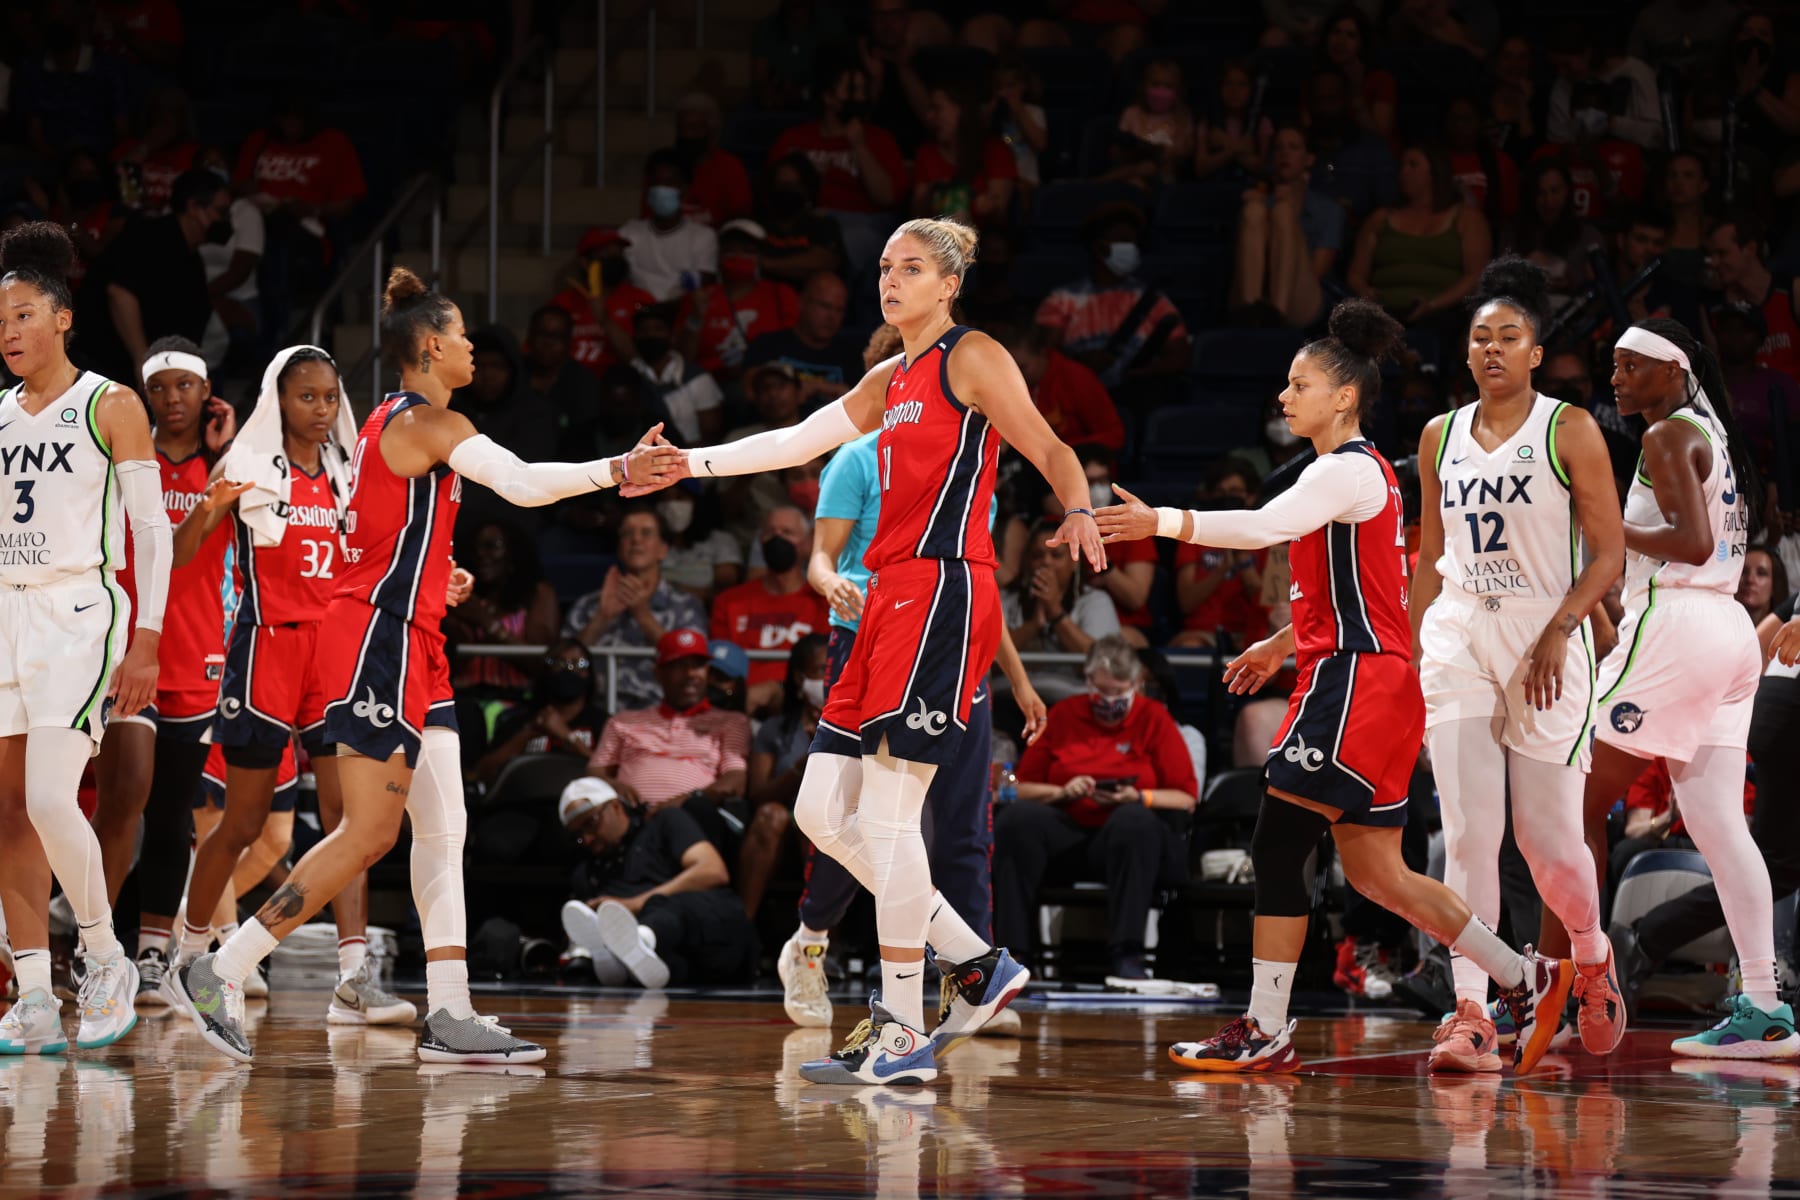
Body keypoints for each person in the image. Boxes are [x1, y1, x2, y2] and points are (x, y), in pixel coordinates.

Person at [627, 216, 1107, 1085]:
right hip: (882, 598)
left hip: (943, 589)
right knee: (819, 810)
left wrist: (1074, 507)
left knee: (889, 814)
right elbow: (793, 442)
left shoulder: (973, 356)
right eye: (885, 266)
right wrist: (688, 465)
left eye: (912, 267)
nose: (892, 280)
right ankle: (976, 963)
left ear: (949, 283)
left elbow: (1049, 445)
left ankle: (899, 1025)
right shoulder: (893, 375)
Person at [172, 267, 678, 1064]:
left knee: (445, 830)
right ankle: (220, 967)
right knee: (369, 832)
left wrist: (431, 577)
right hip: (379, 640)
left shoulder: (381, 422)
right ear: (434, 346)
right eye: (466, 335)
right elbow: (521, 482)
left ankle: (449, 1012)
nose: (476, 346)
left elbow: (375, 535)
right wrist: (619, 470)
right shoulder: (429, 422)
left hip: (417, 639)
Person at [1095, 298, 1574, 1077]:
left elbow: (1260, 528)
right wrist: (1283, 642)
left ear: (1344, 396)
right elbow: (1365, 593)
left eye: (1299, 384)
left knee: (1278, 844)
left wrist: (1164, 521)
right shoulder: (1363, 474)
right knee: (1381, 876)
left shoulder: (1343, 470)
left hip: (1354, 683)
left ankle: (1265, 1025)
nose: (1284, 398)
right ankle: (1527, 976)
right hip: (1372, 678)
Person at [1554, 319, 1795, 1059]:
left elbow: (1689, 544)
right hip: (1728, 629)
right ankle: (1763, 1006)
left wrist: (1609, 536)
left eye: (1632, 367)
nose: (1617, 379)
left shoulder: (1666, 437)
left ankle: (1579, 988)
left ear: (1672, 370)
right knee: (1721, 826)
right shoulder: (1712, 435)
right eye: (1614, 367)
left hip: (1681, 620)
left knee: (1578, 801)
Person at [1409, 257, 1627, 1072]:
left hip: (1548, 632)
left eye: (1509, 336)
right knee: (1467, 833)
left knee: (1546, 845)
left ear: (1536, 352)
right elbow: (1431, 559)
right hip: (1461, 632)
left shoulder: (1569, 428)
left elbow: (1607, 553)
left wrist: (1560, 630)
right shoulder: (1439, 435)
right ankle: (1472, 1011)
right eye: (1480, 337)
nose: (1493, 348)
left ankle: (1591, 957)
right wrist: (1405, 648)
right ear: (1466, 354)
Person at [161, 346, 414, 1029]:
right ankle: (187, 958)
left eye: (331, 397)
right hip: (266, 647)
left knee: (348, 822)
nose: (323, 409)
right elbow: (182, 556)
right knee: (242, 823)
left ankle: (354, 977)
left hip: (334, 656)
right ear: (279, 401)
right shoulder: (243, 468)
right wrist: (210, 506)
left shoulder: (349, 475)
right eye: (308, 397)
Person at [782, 422, 1047, 1031]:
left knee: (958, 826)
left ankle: (945, 993)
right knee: (844, 816)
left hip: (951, 648)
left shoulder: (969, 468)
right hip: (868, 639)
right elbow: (821, 558)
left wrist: (1019, 678)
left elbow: (975, 582)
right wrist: (831, 583)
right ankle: (816, 941)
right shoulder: (856, 457)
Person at [0, 221, 170, 1053]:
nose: (10, 333)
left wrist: (148, 636)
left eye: (24, 316)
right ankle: (33, 991)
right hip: (7, 611)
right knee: (6, 810)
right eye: (1, 322)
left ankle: (105, 958)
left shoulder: (111, 404)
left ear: (63, 317)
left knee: (48, 797)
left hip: (79, 612)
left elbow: (152, 529)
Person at [87, 339, 234, 1009]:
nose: (173, 398)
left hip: (197, 653)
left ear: (206, 395)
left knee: (175, 813)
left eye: (185, 386)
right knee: (125, 795)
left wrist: (224, 460)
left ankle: (151, 952)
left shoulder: (228, 468)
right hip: (129, 650)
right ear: (145, 395)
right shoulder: (120, 460)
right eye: (161, 386)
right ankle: (97, 946)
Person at [997, 636, 1197, 980]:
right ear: (1087, 682)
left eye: (1119, 692)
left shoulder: (1154, 718)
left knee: (1134, 822)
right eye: (1101, 692)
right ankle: (1014, 954)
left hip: (1126, 839)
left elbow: (1185, 797)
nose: (1109, 702)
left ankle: (1127, 955)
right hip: (1069, 828)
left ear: (1137, 684)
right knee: (1017, 821)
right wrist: (1062, 791)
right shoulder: (1063, 715)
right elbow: (1021, 788)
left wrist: (1137, 796)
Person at [558, 777, 756, 989]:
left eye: (591, 822)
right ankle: (622, 961)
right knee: (665, 969)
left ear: (615, 806)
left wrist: (634, 905)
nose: (587, 838)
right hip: (678, 965)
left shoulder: (664, 822)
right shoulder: (587, 871)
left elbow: (712, 871)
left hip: (711, 934)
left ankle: (641, 940)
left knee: (669, 907)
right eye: (578, 835)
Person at [78, 169, 230, 387]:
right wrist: (142, 360)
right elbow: (120, 292)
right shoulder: (151, 236)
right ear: (195, 208)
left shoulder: (192, 259)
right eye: (220, 211)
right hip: (103, 369)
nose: (225, 220)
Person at [584, 627, 751, 812]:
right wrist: (612, 786)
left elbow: (734, 781)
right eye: (679, 665)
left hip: (694, 817)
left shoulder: (732, 722)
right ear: (658, 674)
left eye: (697, 665)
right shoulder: (623, 720)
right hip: (631, 817)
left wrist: (679, 804)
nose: (690, 674)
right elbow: (595, 772)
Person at [564, 506, 708, 711]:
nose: (636, 540)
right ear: (619, 546)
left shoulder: (686, 606)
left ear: (663, 549)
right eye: (627, 533)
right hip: (597, 714)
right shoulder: (588, 605)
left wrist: (642, 615)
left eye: (646, 533)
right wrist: (601, 619)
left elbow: (692, 667)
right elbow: (561, 668)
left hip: (661, 717)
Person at [1035, 204, 1191, 386]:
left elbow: (1180, 354)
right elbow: (1045, 353)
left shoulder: (1154, 300)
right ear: (1099, 248)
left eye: (1134, 242)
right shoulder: (1062, 300)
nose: (1131, 248)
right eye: (1124, 241)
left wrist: (1141, 373)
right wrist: (1079, 363)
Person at [1346, 143, 1491, 326]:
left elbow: (1476, 275)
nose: (1404, 172)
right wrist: (1364, 291)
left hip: (1445, 314)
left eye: (1413, 165)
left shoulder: (1466, 218)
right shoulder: (1380, 218)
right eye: (1402, 166)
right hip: (1383, 312)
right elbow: (1356, 273)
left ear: (1435, 171)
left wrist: (1433, 305)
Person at [710, 506, 830, 713]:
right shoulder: (729, 601)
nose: (778, 539)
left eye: (787, 533)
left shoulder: (823, 601)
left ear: (807, 543)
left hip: (802, 705)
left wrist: (778, 689)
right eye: (770, 533)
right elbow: (719, 662)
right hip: (738, 703)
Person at [1233, 124, 1346, 329]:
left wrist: (1290, 216)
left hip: (1303, 296)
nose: (1285, 153)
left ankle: (1278, 318)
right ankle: (1251, 318)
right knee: (1253, 211)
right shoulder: (1260, 203)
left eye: (1293, 147)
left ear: (1309, 159)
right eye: (1279, 147)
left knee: (1283, 212)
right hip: (1258, 290)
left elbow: (1318, 271)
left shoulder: (1329, 210)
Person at [1003, 518, 1122, 703]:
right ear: (1027, 562)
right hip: (1010, 697)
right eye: (1037, 556)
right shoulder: (1007, 599)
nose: (1046, 562)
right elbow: (987, 659)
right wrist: (1032, 626)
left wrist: (1055, 612)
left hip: (1075, 700)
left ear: (1074, 562)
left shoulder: (1096, 602)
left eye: (1056, 555)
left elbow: (1106, 665)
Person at [440, 520, 560, 698]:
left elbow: (540, 664)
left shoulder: (537, 594)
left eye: (492, 546)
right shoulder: (461, 594)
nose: (481, 554)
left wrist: (486, 623)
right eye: (476, 547)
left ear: (513, 551)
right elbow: (447, 662)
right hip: (463, 697)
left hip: (515, 700)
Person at [472, 639, 609, 785]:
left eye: (578, 664)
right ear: (546, 671)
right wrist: (528, 733)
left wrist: (567, 736)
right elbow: (481, 773)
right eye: (559, 663)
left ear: (589, 674)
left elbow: (612, 776)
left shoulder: (604, 724)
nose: (568, 670)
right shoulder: (519, 720)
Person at [675, 219, 799, 378]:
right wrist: (696, 317)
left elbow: (792, 350)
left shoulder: (780, 294)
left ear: (761, 257)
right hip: (707, 383)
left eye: (747, 251)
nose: (738, 257)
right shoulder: (699, 297)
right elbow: (683, 360)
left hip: (763, 383)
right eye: (730, 251)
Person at [743, 271, 865, 404]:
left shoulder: (852, 356)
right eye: (825, 306)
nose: (831, 317)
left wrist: (818, 387)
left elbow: (864, 405)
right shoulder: (767, 346)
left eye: (839, 310)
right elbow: (749, 392)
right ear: (802, 302)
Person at [912, 81, 1017, 226]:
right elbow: (917, 217)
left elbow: (999, 214)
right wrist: (934, 193)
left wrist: (983, 207)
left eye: (937, 109)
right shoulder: (926, 153)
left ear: (960, 110)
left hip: (982, 238)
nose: (929, 117)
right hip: (936, 239)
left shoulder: (995, 151)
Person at [621, 150, 721, 302]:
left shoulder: (702, 236)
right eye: (656, 183)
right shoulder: (629, 232)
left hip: (682, 313)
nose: (661, 189)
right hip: (639, 312)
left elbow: (704, 283)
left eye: (669, 183)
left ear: (685, 189)